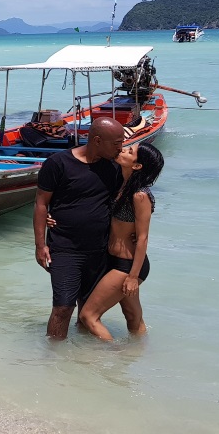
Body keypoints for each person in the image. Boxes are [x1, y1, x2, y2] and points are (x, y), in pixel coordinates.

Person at [33, 117, 124, 340]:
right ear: (97, 140)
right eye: (116, 143)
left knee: (88, 311)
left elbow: (121, 204)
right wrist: (40, 245)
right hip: (64, 248)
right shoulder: (58, 163)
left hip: (99, 250)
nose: (120, 148)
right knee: (63, 308)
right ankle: (52, 358)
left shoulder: (114, 168)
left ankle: (80, 363)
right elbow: (41, 203)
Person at [78, 142, 164, 341]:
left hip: (128, 266)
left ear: (137, 166)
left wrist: (133, 277)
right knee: (133, 317)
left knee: (88, 316)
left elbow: (142, 238)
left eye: (130, 151)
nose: (124, 150)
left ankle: (113, 359)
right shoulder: (121, 184)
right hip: (112, 260)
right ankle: (136, 357)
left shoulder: (139, 195)